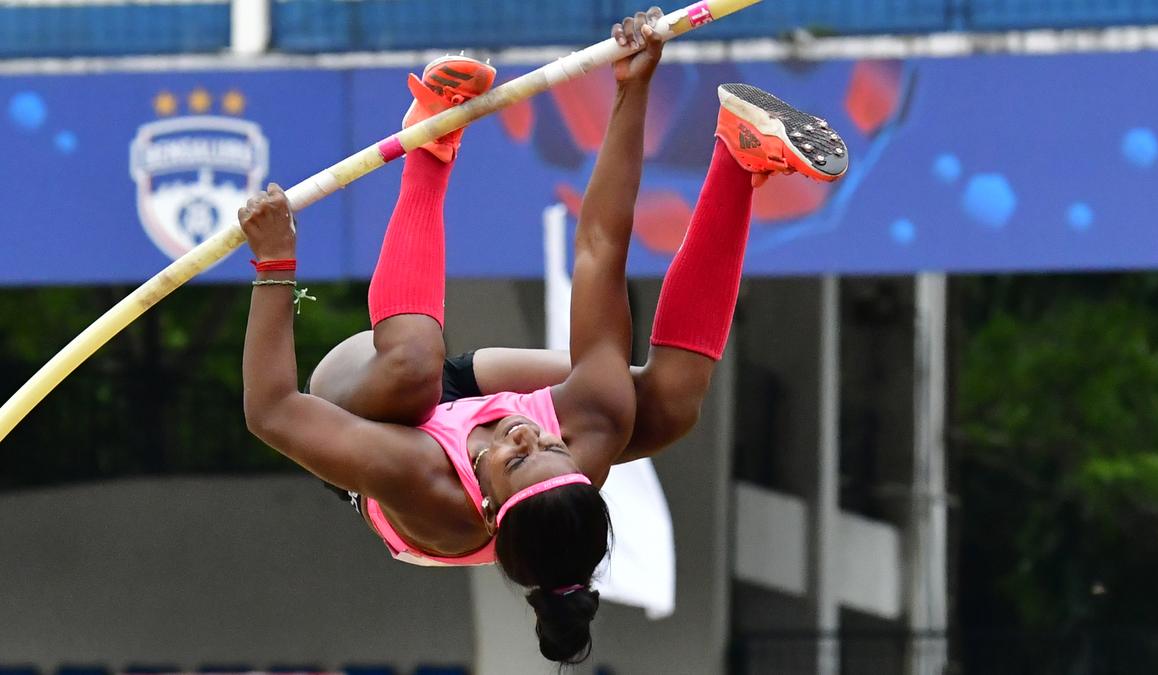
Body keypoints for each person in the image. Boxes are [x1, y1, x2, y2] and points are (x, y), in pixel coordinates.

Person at [239, 7, 846, 665]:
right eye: (554, 445)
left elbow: (271, 411)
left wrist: (274, 263)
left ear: (493, 510)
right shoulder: (589, 428)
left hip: (370, 406)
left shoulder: (424, 487)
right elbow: (599, 248)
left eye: (521, 457)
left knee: (414, 370)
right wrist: (630, 87)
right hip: (478, 399)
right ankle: (739, 157)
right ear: (583, 464)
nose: (529, 433)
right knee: (665, 405)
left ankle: (430, 144)